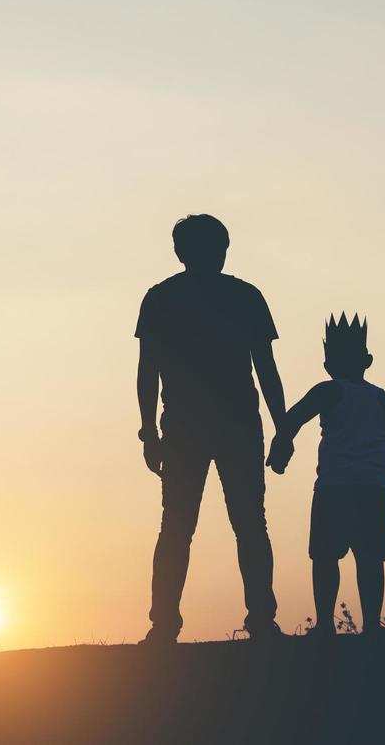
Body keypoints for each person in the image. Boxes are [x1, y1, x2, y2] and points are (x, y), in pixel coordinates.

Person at [135, 214, 289, 644]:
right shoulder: (240, 296)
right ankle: (250, 620)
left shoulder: (164, 298)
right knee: (240, 525)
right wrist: (282, 428)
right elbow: (267, 371)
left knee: (184, 527)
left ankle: (168, 624)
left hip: (201, 426)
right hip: (220, 425)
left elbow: (148, 372)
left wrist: (150, 434)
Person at [269, 313, 385, 637]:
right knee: (370, 559)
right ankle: (370, 626)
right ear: (367, 360)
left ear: (328, 364)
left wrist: (281, 447)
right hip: (373, 489)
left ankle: (325, 624)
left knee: (325, 558)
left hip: (334, 488)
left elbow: (293, 418)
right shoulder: (383, 399)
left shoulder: (327, 391)